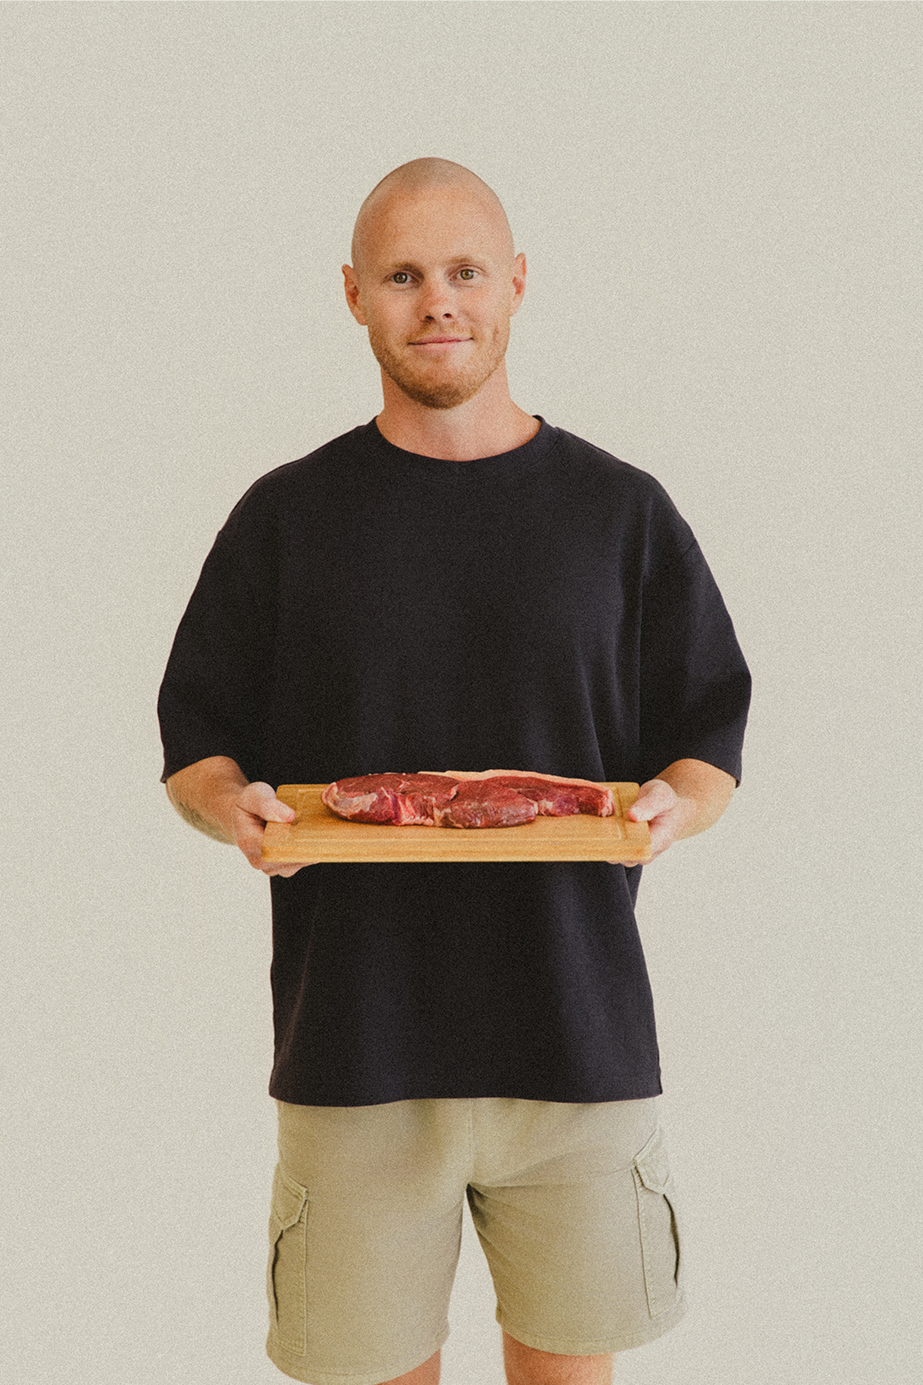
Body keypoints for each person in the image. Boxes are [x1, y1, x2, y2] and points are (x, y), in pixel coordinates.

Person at [158, 158, 750, 1385]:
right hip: (355, 1051)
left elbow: (705, 720)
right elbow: (197, 732)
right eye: (403, 275)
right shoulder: (287, 516)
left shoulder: (618, 511)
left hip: (575, 1042)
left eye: (465, 270)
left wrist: (675, 802)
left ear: (516, 283)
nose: (438, 300)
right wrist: (232, 805)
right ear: (353, 295)